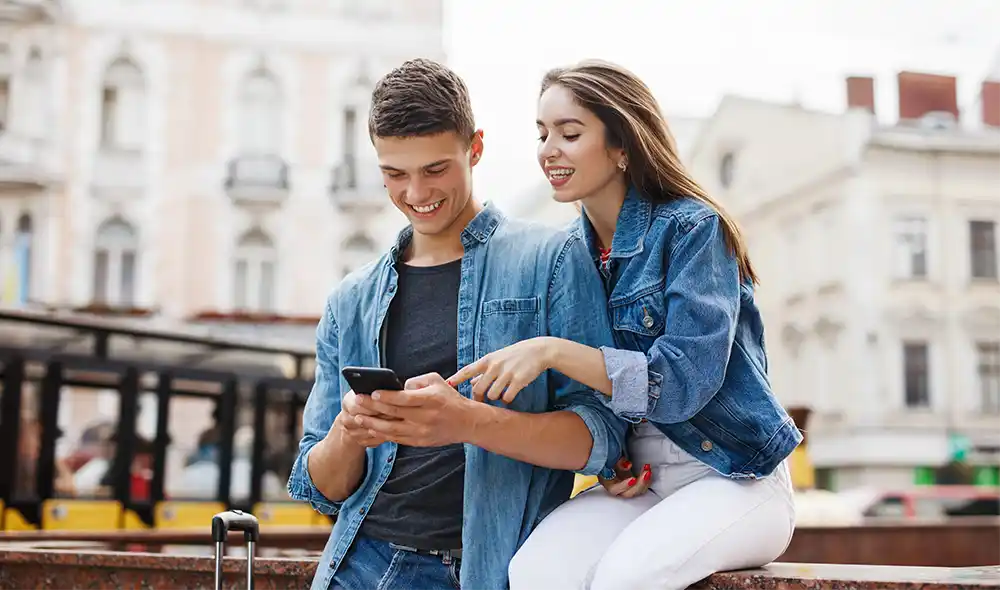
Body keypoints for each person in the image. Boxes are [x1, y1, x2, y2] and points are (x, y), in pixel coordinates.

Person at [449, 60, 801, 590]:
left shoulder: (694, 230)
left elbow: (680, 383)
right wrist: (614, 461)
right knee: (535, 573)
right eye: (542, 134)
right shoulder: (573, 254)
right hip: (643, 483)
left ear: (622, 146)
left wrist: (550, 350)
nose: (548, 149)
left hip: (737, 475)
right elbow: (595, 401)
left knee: (625, 577)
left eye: (569, 133)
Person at [286, 58, 627, 590]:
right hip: (359, 566)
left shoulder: (553, 259)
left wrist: (466, 422)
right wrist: (349, 431)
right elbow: (321, 486)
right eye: (395, 175)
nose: (416, 194)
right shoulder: (349, 301)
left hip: (486, 568)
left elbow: (605, 437)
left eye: (435, 169)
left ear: (476, 148)